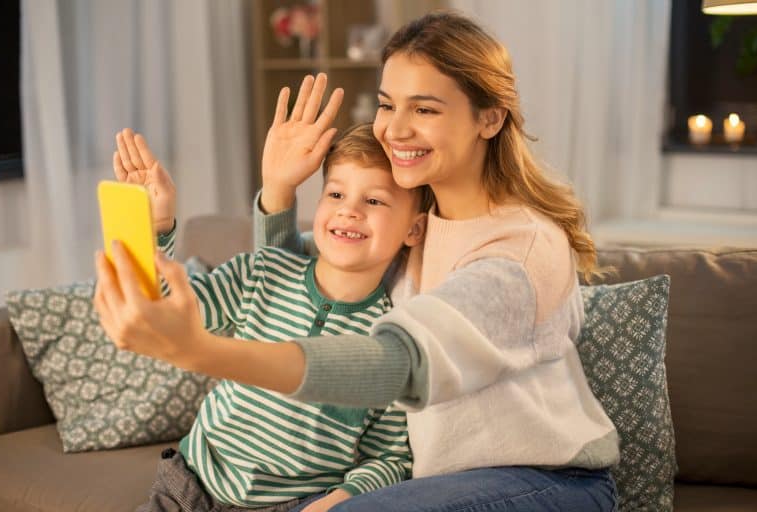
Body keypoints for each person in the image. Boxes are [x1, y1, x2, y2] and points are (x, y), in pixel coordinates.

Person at [96, 11, 620, 511]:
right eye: (388, 104)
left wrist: (202, 351)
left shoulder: (520, 251)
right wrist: (277, 190)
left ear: (489, 117)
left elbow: (398, 363)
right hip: (442, 481)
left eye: (426, 109)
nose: (394, 128)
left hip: (541, 479)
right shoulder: (408, 229)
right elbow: (286, 278)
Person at [99, 117, 432, 511]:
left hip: (292, 503)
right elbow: (167, 308)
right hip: (191, 485)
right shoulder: (262, 270)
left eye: (373, 201)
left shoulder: (388, 340)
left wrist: (340, 500)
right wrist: (155, 225)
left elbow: (389, 458)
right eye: (336, 194)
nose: (350, 211)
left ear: (415, 229)